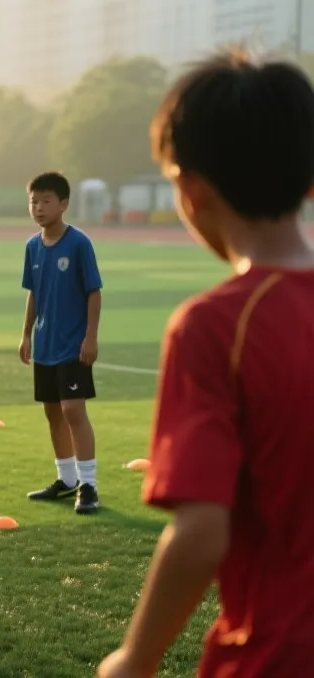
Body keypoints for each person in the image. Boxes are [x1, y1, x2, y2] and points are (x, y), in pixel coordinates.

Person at [97, 50, 314, 678]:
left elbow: (201, 534)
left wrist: (135, 659)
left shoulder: (215, 327)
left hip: (277, 654)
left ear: (190, 191)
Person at [20, 172, 103, 515]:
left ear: (64, 204)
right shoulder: (32, 246)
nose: (38, 208)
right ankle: (66, 480)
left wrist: (91, 337)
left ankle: (89, 485)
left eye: (46, 201)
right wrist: (26, 334)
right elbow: (34, 294)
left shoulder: (79, 243)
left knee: (73, 410)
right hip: (45, 345)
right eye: (33, 201)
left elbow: (94, 292)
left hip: (72, 345)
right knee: (53, 411)